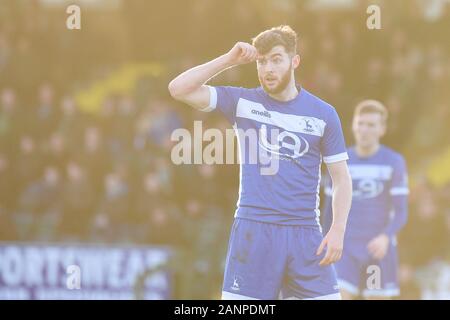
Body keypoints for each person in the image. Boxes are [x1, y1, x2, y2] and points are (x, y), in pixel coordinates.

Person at [169, 25, 352, 300]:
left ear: (295, 61)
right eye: (262, 61)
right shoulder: (242, 101)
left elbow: (342, 178)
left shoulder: (324, 114)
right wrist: (228, 60)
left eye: (276, 59)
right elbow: (178, 89)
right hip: (254, 231)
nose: (268, 68)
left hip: (305, 235)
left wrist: (337, 230)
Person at [322, 99, 409, 299]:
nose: (364, 129)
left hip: (376, 253)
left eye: (371, 125)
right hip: (344, 251)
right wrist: (324, 240)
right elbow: (328, 210)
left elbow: (401, 211)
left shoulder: (394, 162)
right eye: (360, 123)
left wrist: (386, 237)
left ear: (382, 129)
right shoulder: (339, 162)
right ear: (353, 125)